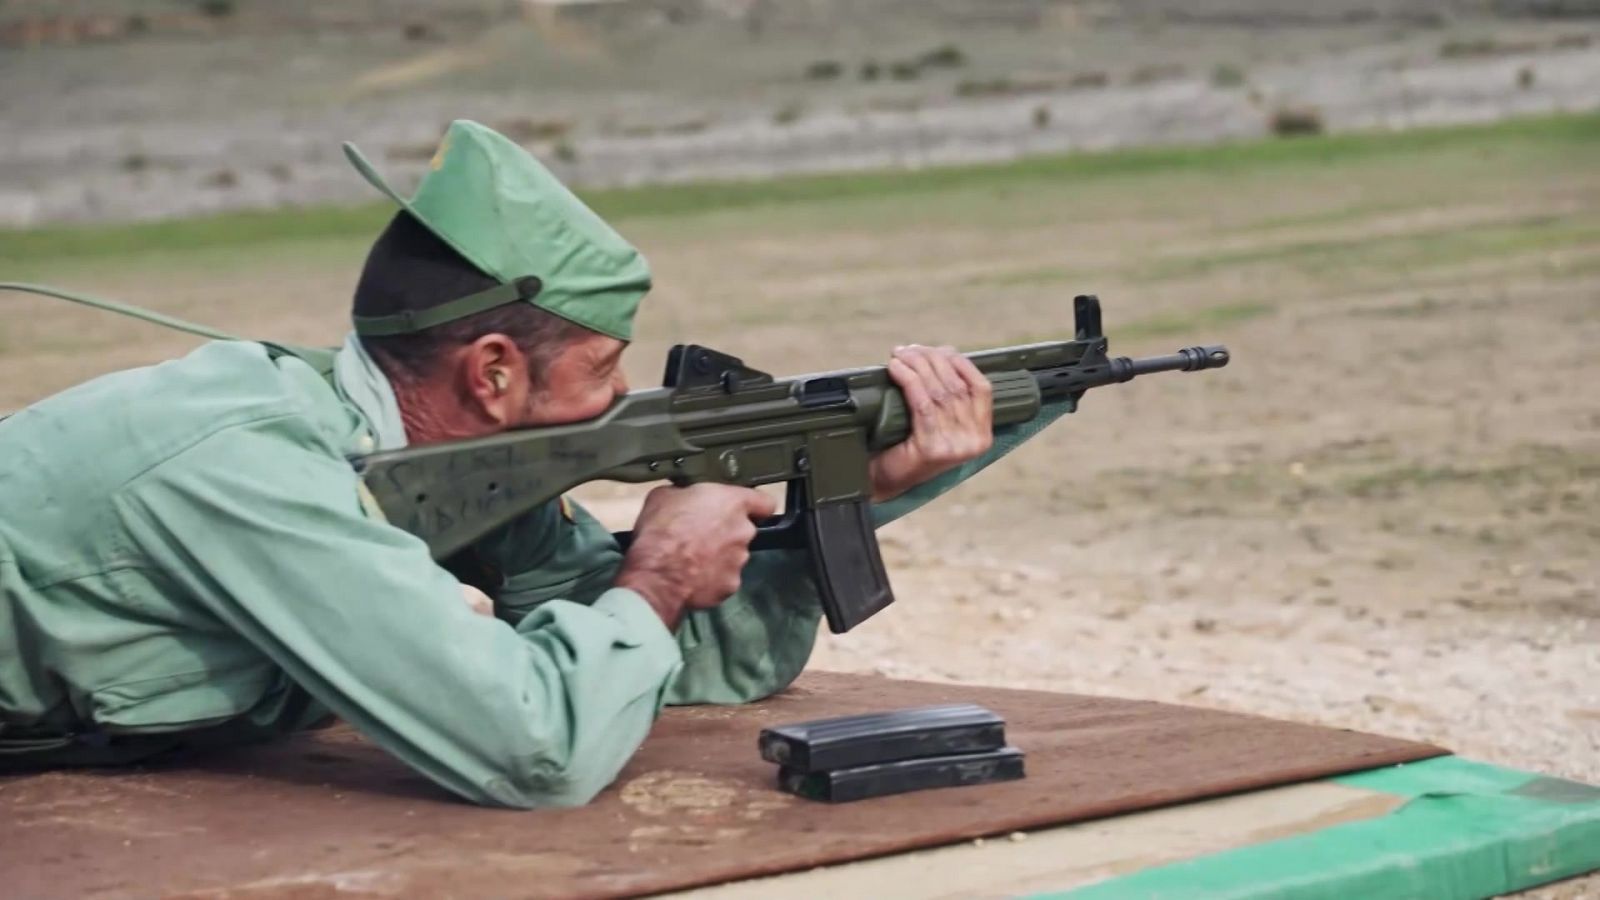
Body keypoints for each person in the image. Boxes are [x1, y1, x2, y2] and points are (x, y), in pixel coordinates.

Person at [0, 121, 1069, 807]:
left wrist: (861, 489)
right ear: (495, 372)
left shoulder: (440, 478)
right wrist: (650, 576)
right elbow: (538, 746)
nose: (618, 399)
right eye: (602, 368)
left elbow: (674, 672)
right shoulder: (249, 465)